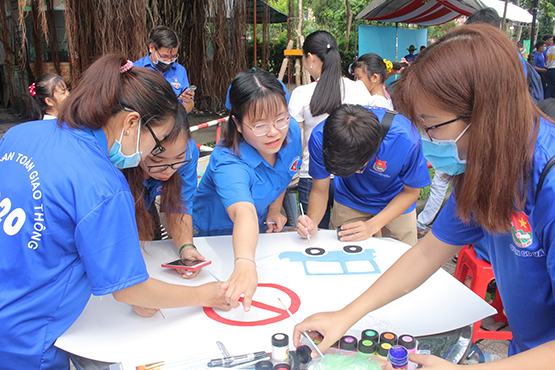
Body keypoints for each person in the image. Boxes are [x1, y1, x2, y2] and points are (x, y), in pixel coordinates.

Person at [294, 25, 555, 369]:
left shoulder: (547, 182)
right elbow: (428, 252)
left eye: (431, 126)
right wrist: (346, 315)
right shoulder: (486, 167)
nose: (426, 140)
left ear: (486, 115)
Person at [0, 55, 228, 370]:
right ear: (132, 122)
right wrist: (206, 294)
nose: (151, 156)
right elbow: (130, 290)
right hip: (26, 338)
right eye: (157, 143)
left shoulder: (19, 136)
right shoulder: (103, 184)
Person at [193, 68, 302, 311]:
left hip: (256, 234)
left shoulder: (291, 131)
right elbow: (243, 212)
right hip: (214, 236)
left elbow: (284, 174)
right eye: (260, 125)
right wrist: (244, 262)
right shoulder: (228, 161)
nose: (274, 132)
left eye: (280, 118)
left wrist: (275, 209)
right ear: (238, 125)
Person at [296, 104, 430, 246]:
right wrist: (311, 223)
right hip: (350, 198)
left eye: (358, 168)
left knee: (403, 256)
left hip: (395, 200)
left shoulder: (405, 139)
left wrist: (372, 226)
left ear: (375, 150)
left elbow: (411, 192)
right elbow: (320, 189)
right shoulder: (322, 138)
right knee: (342, 250)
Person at [288, 30, 374, 229]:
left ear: (310, 58)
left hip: (312, 174)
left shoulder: (301, 94)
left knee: (312, 232)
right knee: (348, 237)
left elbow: (296, 141)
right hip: (351, 175)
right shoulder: (359, 89)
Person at [123, 105, 201, 283]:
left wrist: (185, 247)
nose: (168, 170)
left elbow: (179, 204)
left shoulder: (188, 152)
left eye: (178, 158)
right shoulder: (115, 165)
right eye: (158, 160)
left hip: (144, 204)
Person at [134, 25, 195, 112]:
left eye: (173, 56)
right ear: (151, 48)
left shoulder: (179, 71)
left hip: (175, 123)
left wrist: (187, 101)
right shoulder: (136, 70)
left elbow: (188, 108)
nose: (169, 61)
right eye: (164, 56)